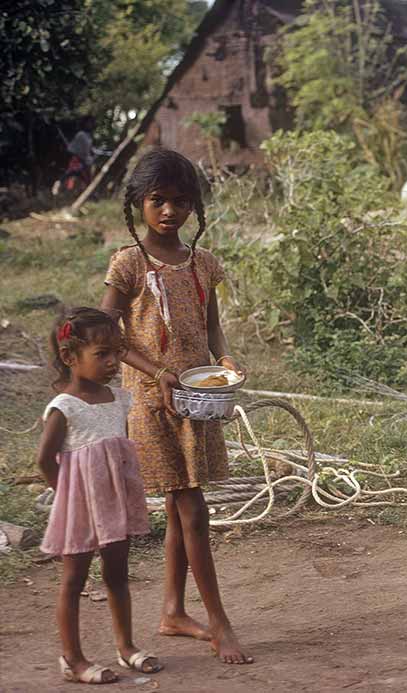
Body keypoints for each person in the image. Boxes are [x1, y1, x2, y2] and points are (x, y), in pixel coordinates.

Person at [100, 148, 252, 664]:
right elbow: (108, 336)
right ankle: (219, 621)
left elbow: (212, 330)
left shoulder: (203, 264)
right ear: (138, 203)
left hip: (197, 398)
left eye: (181, 202)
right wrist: (159, 372)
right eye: (158, 200)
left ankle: (172, 612)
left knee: (179, 502)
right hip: (152, 399)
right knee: (192, 507)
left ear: (195, 207)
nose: (169, 211)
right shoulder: (128, 264)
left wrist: (225, 358)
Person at [37, 308, 161, 684]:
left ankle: (126, 647)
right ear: (70, 357)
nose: (112, 362)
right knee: (74, 579)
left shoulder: (118, 399)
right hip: (79, 507)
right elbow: (45, 460)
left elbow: (115, 454)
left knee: (117, 573)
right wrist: (69, 497)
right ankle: (72, 658)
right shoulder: (64, 407)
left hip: (114, 505)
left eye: (116, 353)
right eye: (101, 354)